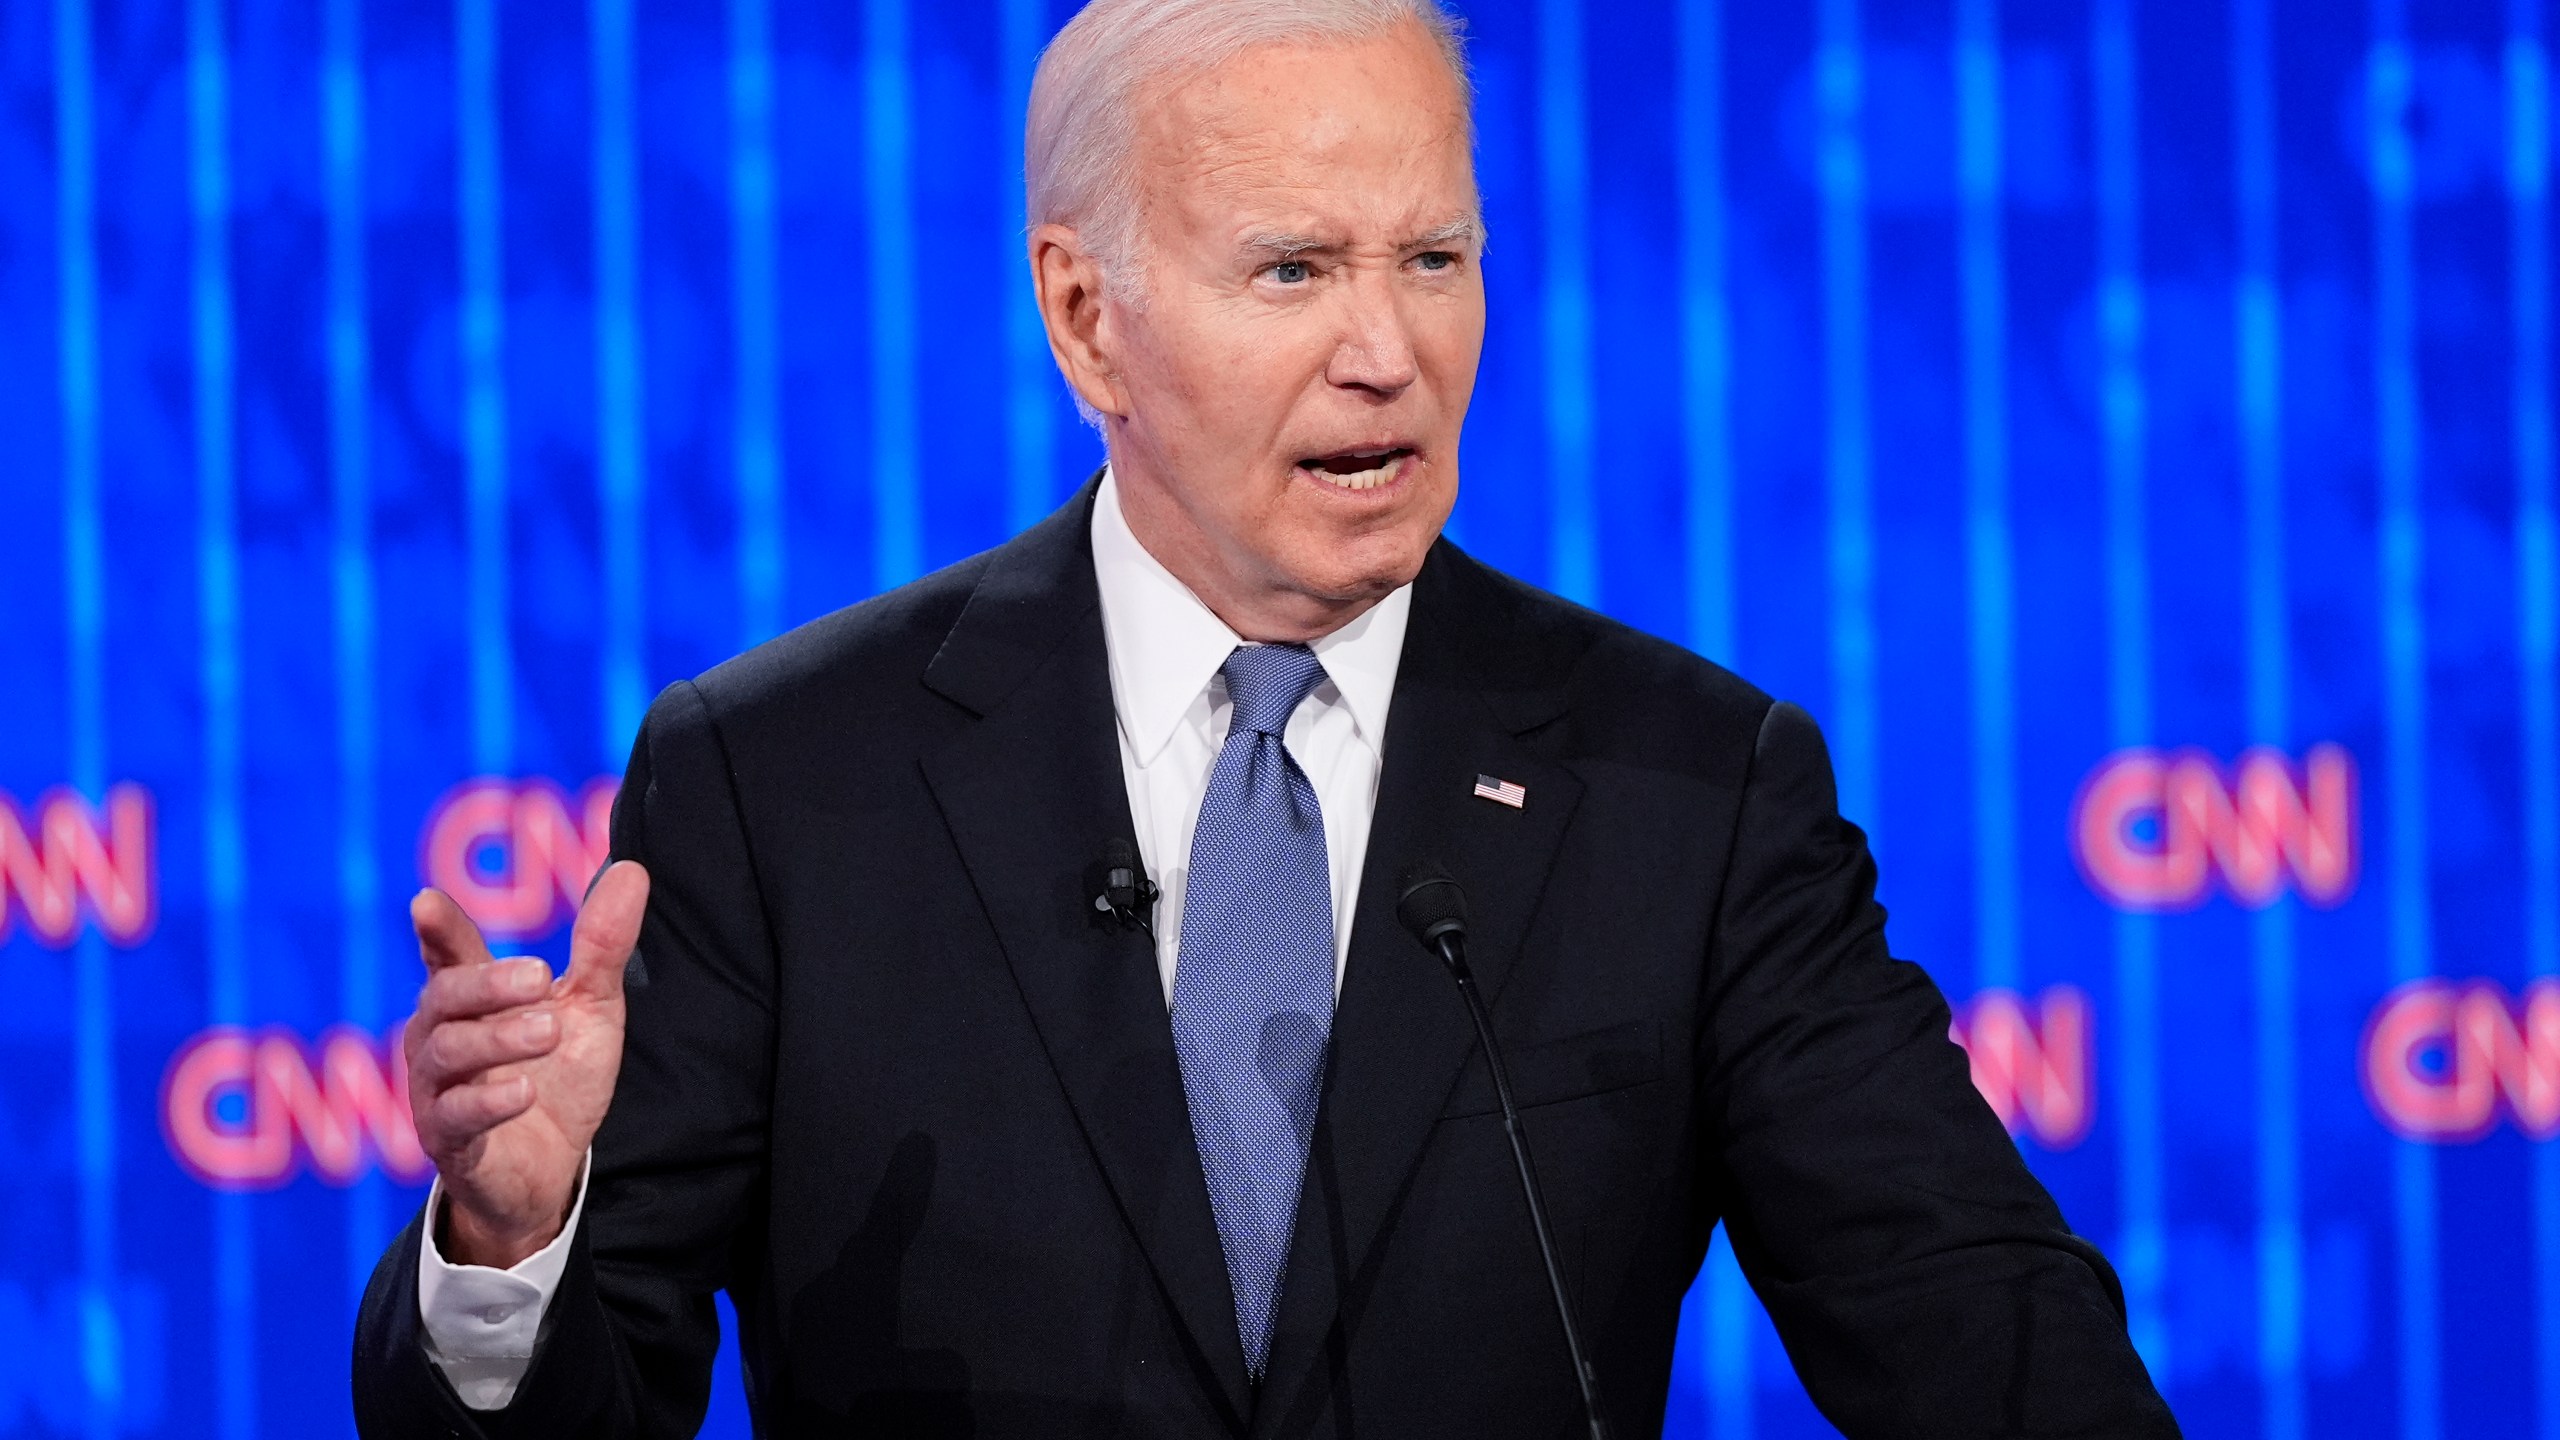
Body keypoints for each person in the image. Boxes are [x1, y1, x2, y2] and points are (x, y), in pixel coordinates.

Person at [351, 1, 2181, 1435]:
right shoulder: (786, 784)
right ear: (1088, 321)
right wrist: (514, 1252)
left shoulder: (1687, 793)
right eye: (1296, 269)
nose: (1387, 348)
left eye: (1435, 259)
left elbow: (1993, 1348)